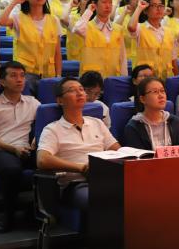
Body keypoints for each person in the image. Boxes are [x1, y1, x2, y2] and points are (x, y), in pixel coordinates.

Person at [37, 78, 119, 214]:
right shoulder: (52, 129)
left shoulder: (97, 123)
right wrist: (81, 168)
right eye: (72, 90)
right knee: (102, 199)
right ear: (60, 100)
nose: (80, 93)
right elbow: (42, 159)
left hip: (103, 178)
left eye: (81, 89)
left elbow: (117, 150)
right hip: (75, 184)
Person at [0, 62, 39, 232]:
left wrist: (36, 140)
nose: (19, 80)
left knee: (50, 162)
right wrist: (12, 149)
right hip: (0, 149)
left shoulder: (33, 102)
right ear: (2, 81)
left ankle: (36, 212)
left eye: (22, 76)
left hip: (26, 148)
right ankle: (8, 216)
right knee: (11, 170)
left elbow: (45, 126)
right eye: (13, 76)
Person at [0, 0, 63, 89]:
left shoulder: (54, 20)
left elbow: (57, 52)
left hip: (49, 74)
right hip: (25, 74)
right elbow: (1, 21)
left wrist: (59, 75)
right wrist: (15, 2)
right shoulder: (19, 18)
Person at [73, 0, 127, 77]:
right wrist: (89, 10)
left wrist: (123, 78)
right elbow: (77, 29)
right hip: (91, 78)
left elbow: (122, 57)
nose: (108, 6)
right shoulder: (87, 26)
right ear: (95, 4)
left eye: (110, 2)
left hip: (113, 77)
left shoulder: (118, 29)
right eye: (104, 2)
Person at [123, 77, 179, 150]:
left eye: (162, 91)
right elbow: (137, 156)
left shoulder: (173, 121)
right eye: (155, 92)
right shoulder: (134, 127)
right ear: (143, 99)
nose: (161, 96)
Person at [127, 0, 179, 79]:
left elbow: (173, 58)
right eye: (154, 6)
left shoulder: (169, 31)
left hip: (166, 79)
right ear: (145, 10)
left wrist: (176, 79)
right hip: (145, 80)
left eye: (161, 5)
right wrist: (139, 8)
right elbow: (131, 27)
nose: (158, 8)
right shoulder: (140, 28)